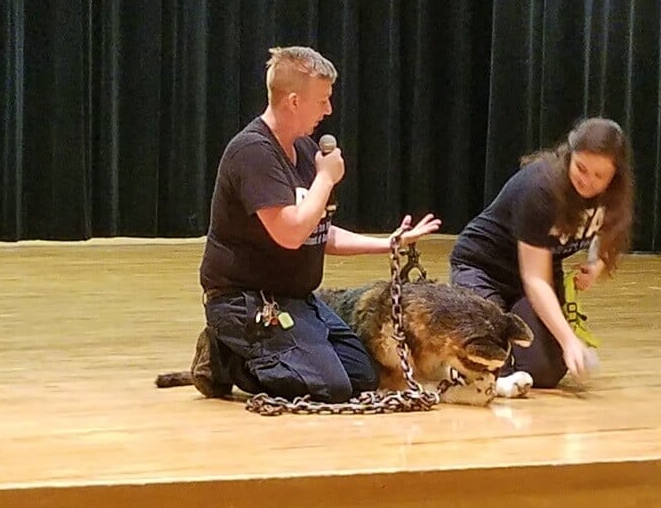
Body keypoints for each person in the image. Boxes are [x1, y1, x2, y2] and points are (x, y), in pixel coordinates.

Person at [191, 46, 441, 402]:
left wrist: (389, 243)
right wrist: (325, 179)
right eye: (322, 101)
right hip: (244, 301)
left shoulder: (306, 151)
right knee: (330, 387)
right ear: (294, 101)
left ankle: (258, 351)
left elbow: (320, 232)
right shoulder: (253, 152)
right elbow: (291, 233)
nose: (329, 110)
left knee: (362, 374)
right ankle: (224, 357)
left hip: (295, 299)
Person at [449, 117, 634, 388]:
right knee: (491, 361)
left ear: (614, 175)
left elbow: (608, 234)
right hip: (483, 267)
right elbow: (534, 278)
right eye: (581, 168)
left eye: (599, 176)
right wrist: (569, 339)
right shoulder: (539, 187)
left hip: (538, 273)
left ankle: (506, 329)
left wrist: (596, 267)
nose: (588, 181)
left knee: (544, 373)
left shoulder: (613, 196)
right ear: (569, 156)